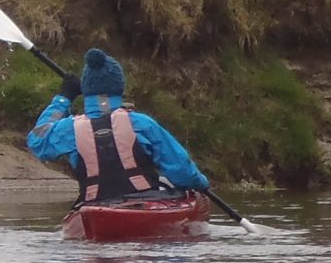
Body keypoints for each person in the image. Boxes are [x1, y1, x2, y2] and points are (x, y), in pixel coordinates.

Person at [27, 47, 211, 204]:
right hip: (146, 203)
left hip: (96, 207)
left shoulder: (69, 128)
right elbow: (181, 169)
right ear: (118, 87)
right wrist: (200, 184)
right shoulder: (141, 123)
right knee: (168, 182)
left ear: (87, 89)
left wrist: (64, 98)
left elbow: (37, 141)